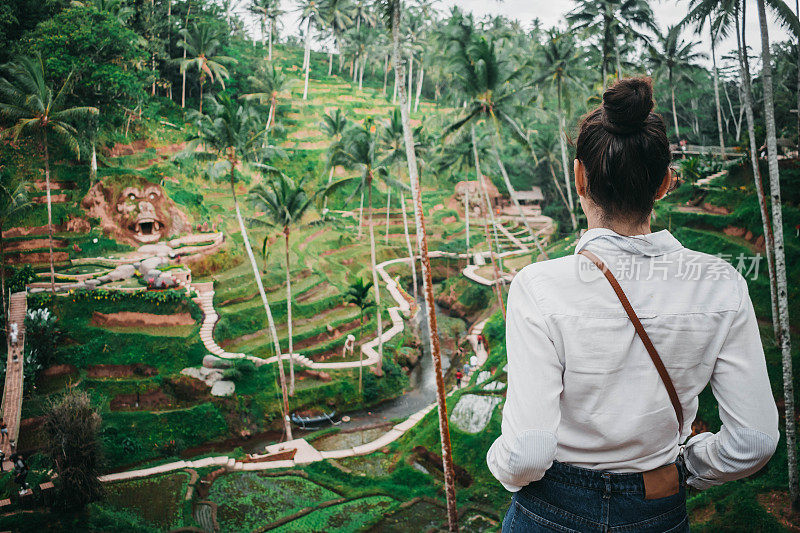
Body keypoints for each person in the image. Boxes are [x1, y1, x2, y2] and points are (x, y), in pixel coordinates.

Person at [488, 77, 778, 532]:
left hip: (550, 512)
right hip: (657, 509)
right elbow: (755, 442)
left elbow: (527, 453)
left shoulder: (539, 286)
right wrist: (687, 467)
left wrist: (499, 461)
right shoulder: (721, 284)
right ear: (665, 183)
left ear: (579, 177)